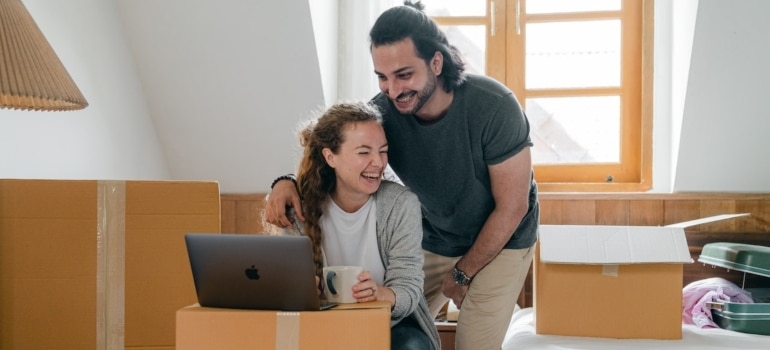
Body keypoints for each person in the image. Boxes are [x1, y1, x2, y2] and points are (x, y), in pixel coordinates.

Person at [265, 2, 539, 348]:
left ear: (436, 63)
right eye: (382, 77)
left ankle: (492, 303)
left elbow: (512, 208)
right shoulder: (386, 111)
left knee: (473, 345)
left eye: (404, 75)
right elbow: (333, 149)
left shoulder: (495, 108)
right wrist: (284, 182)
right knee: (396, 319)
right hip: (437, 236)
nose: (393, 90)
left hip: (503, 240)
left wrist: (462, 274)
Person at [267, 101, 440, 350]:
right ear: (330, 157)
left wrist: (380, 294)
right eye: (363, 152)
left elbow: (409, 288)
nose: (378, 163)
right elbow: (284, 284)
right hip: (322, 325)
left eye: (383, 150)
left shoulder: (401, 205)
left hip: (389, 325)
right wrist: (300, 291)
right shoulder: (298, 205)